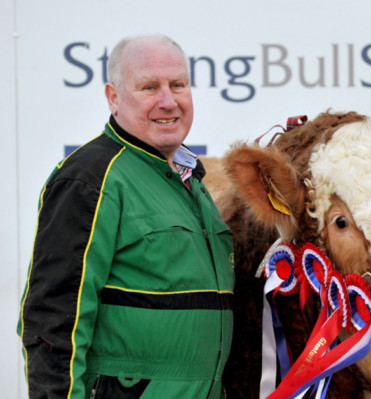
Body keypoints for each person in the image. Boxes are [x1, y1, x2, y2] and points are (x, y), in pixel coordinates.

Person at [17, 35, 234, 398]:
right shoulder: (89, 178)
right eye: (149, 87)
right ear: (113, 97)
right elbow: (52, 321)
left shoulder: (192, 182)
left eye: (178, 85)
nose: (169, 101)